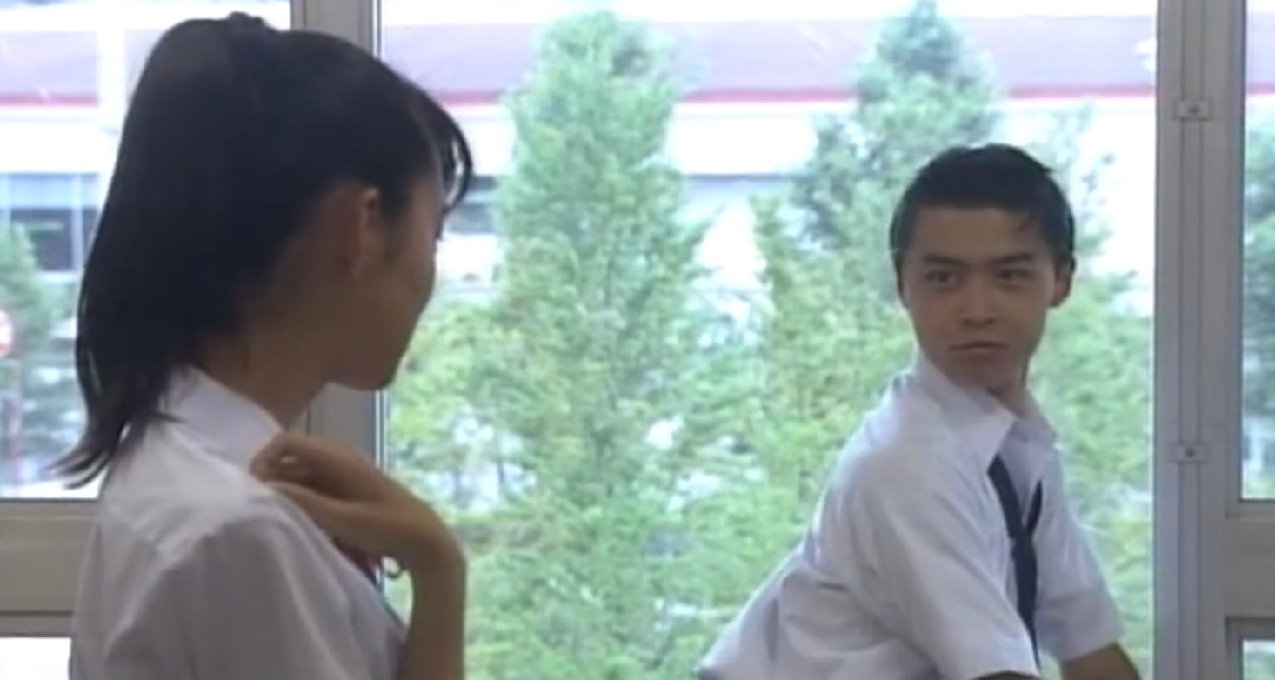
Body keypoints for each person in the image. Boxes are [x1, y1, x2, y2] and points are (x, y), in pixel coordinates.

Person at [58, 13, 473, 680]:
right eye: (434, 235)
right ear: (362, 227)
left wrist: (435, 568)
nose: (431, 272)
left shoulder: (182, 464)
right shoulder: (242, 531)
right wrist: (441, 570)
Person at [697, 144, 1143, 680]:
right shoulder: (909, 463)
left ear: (1062, 280)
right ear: (901, 284)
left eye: (1009, 276)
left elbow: (1089, 645)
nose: (977, 311)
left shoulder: (1017, 446)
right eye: (944, 279)